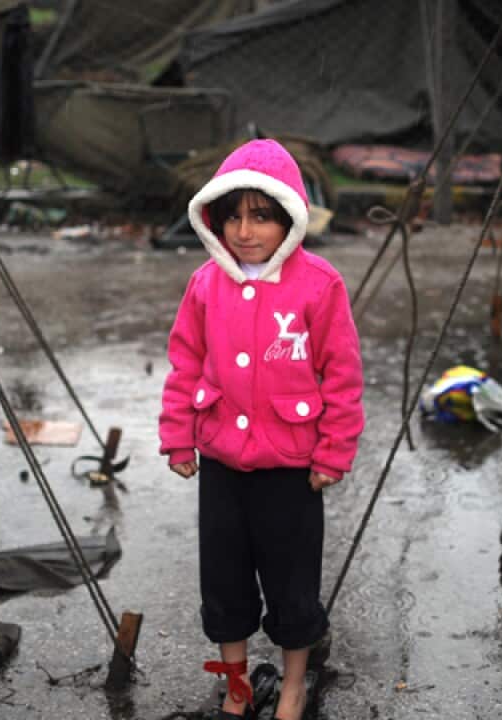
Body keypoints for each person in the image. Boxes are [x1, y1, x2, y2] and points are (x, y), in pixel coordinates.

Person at [159, 139, 365, 720]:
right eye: (234, 215)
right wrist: (179, 435)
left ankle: (294, 686)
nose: (246, 231)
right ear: (214, 219)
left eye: (262, 215)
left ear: (290, 218)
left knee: (291, 584)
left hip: (293, 470)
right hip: (222, 464)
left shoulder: (319, 285)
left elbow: (343, 377)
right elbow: (185, 365)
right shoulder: (204, 283)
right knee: (224, 584)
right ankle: (237, 682)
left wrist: (333, 453)